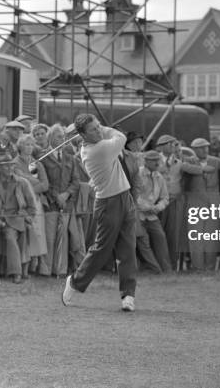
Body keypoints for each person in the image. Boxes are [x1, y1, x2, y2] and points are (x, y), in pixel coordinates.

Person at [62, 114, 138, 312]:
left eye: (98, 127)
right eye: (93, 129)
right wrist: (103, 127)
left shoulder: (95, 144)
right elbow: (121, 137)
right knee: (101, 249)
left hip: (125, 196)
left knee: (128, 247)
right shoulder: (98, 150)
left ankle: (128, 294)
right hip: (108, 202)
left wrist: (96, 127)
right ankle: (75, 281)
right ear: (83, 135)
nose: (98, 131)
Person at [0, 152, 36, 283]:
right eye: (6, 166)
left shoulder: (22, 182)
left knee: (10, 237)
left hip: (16, 219)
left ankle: (16, 272)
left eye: (11, 165)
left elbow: (32, 206)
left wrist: (27, 217)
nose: (9, 168)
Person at [157, 134, 203, 271]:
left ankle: (172, 266)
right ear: (161, 146)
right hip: (157, 202)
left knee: (173, 235)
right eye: (170, 144)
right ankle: (157, 265)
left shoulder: (179, 161)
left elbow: (197, 169)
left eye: (174, 144)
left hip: (175, 202)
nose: (173, 147)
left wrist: (197, 162)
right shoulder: (154, 159)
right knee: (158, 234)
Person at [40, 124, 81, 276]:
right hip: (50, 203)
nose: (62, 140)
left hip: (67, 203)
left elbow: (76, 181)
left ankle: (61, 270)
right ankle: (46, 270)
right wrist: (56, 196)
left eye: (63, 137)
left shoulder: (69, 157)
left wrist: (66, 195)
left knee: (63, 238)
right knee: (49, 237)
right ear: (50, 138)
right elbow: (43, 180)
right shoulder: (43, 156)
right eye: (59, 137)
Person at [14, 135, 49, 276]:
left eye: (31, 145)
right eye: (26, 144)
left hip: (37, 202)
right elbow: (18, 181)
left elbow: (45, 185)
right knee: (27, 233)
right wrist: (33, 182)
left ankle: (35, 265)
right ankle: (23, 268)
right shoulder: (15, 163)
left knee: (38, 233)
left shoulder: (37, 163)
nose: (29, 147)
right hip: (21, 202)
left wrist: (28, 183)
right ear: (20, 146)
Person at [188, 138, 220, 271]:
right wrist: (202, 169)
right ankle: (198, 268)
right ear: (195, 150)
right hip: (196, 205)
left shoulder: (217, 162)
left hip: (214, 204)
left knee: (211, 238)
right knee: (196, 238)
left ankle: (210, 267)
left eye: (206, 147)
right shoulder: (189, 161)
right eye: (201, 147)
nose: (205, 150)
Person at [135, 150, 171, 273]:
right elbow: (134, 195)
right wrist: (148, 207)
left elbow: (165, 197)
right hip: (138, 215)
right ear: (146, 161)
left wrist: (158, 207)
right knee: (144, 243)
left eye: (158, 160)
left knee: (160, 238)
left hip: (152, 216)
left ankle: (166, 270)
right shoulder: (138, 174)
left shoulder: (159, 176)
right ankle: (156, 270)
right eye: (154, 160)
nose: (157, 162)